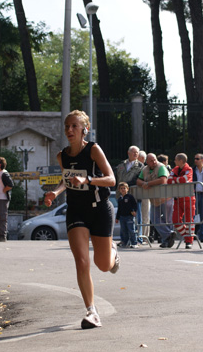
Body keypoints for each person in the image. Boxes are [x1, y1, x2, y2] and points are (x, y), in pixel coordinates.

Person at [43, 110, 118, 329]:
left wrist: (89, 179)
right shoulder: (62, 155)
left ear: (84, 129)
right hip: (76, 211)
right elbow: (66, 180)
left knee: (103, 265)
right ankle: (92, 312)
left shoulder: (93, 149)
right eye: (67, 126)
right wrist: (54, 194)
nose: (69, 130)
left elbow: (112, 179)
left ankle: (112, 251)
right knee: (82, 262)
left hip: (99, 209)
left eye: (74, 126)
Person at [137, 153, 174, 248]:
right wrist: (143, 184)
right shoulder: (145, 169)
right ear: (147, 162)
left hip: (166, 197)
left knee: (166, 220)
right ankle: (169, 234)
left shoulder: (161, 167)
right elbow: (138, 181)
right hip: (154, 199)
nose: (154, 162)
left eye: (154, 160)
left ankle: (166, 241)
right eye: (151, 161)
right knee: (154, 218)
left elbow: (163, 180)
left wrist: (148, 183)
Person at [115, 146, 144, 242]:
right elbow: (117, 178)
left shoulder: (140, 166)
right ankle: (124, 239)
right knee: (123, 217)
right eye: (134, 152)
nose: (136, 154)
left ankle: (137, 238)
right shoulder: (121, 165)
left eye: (137, 153)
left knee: (136, 216)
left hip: (134, 194)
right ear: (129, 153)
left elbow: (140, 179)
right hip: (121, 194)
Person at [167, 153, 196, 249]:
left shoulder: (189, 169)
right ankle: (187, 236)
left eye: (175, 160)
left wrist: (175, 179)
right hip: (178, 198)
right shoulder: (175, 169)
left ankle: (189, 241)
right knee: (175, 220)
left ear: (181, 161)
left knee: (189, 221)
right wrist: (177, 180)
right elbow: (169, 180)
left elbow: (184, 179)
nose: (174, 161)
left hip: (188, 198)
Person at [115, 182, 138, 248]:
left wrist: (134, 211)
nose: (123, 190)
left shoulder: (130, 197)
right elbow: (119, 209)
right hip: (122, 217)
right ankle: (125, 242)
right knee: (123, 231)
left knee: (131, 230)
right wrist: (117, 218)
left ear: (127, 189)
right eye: (121, 188)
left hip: (129, 216)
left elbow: (134, 205)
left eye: (124, 188)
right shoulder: (120, 199)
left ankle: (134, 243)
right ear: (119, 190)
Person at [137, 150, 150, 241]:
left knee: (145, 215)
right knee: (137, 216)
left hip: (145, 194)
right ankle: (138, 236)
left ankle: (145, 236)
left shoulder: (146, 168)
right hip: (137, 193)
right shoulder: (135, 166)